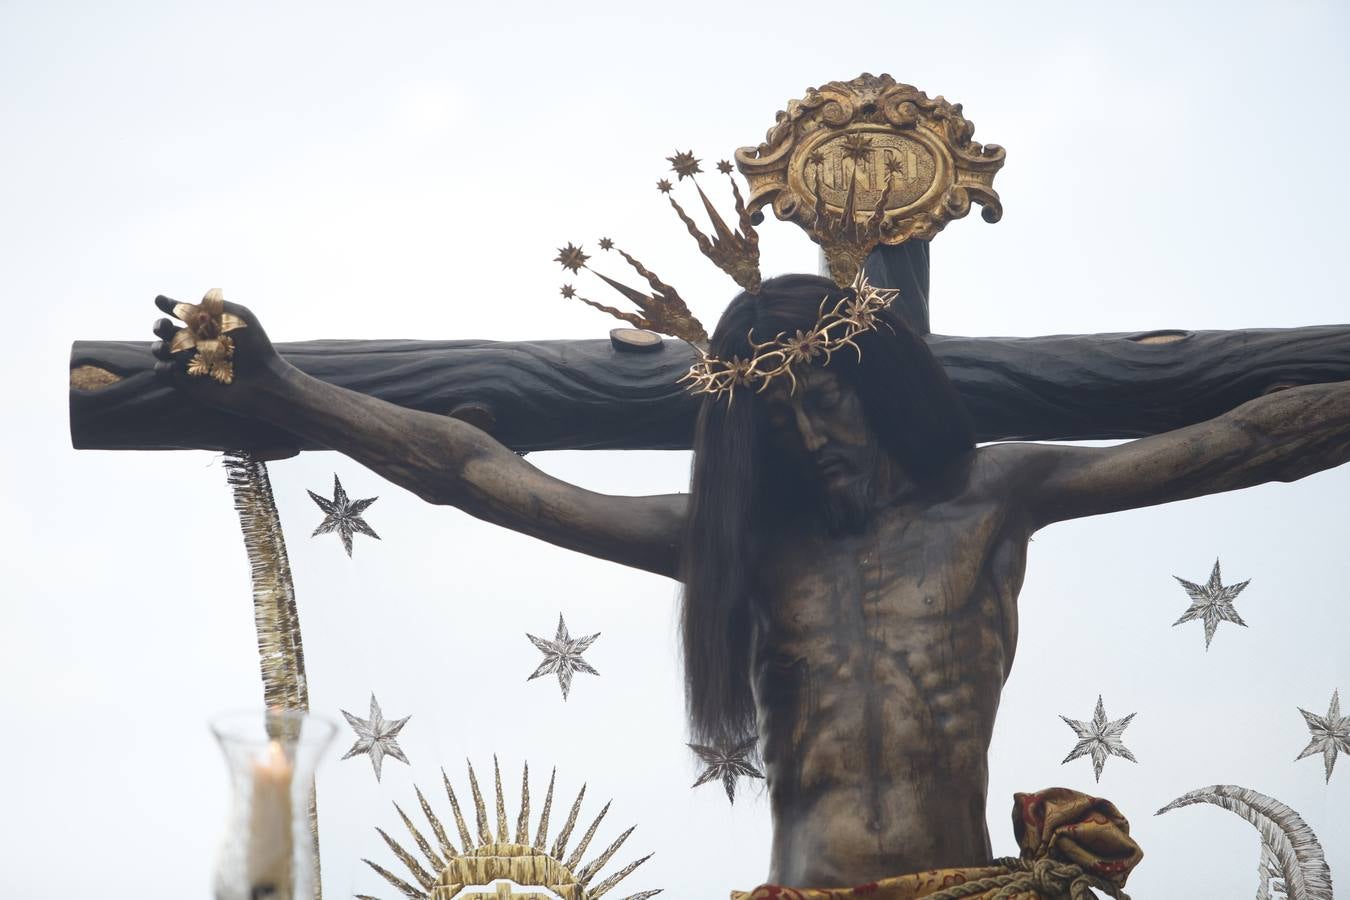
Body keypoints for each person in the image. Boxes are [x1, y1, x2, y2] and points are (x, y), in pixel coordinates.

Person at [150, 274, 1350, 889]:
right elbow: (474, 472)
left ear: (873, 386)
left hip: (969, 897)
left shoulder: (994, 498)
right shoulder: (734, 546)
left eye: (823, 402)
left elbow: (1249, 442)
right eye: (776, 424)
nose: (810, 439)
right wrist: (285, 390)